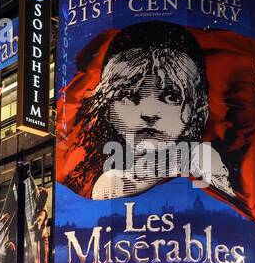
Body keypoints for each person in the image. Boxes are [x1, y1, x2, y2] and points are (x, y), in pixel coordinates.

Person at [65, 21, 235, 201]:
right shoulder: (106, 182)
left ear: (198, 113)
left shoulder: (206, 163)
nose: (149, 112)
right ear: (107, 108)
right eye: (129, 95)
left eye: (171, 96)